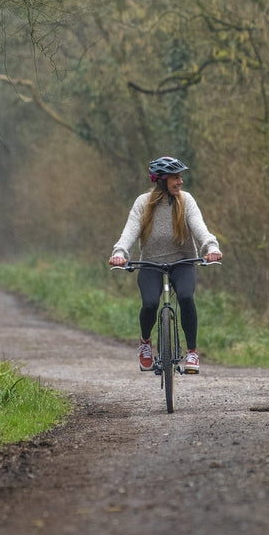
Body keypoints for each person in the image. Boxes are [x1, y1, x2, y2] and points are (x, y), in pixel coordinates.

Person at [109, 156, 223, 374]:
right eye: (175, 178)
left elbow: (200, 227)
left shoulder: (186, 200)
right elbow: (130, 231)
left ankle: (192, 351)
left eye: (181, 177)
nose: (180, 182)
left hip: (182, 262)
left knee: (186, 298)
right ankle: (145, 342)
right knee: (150, 304)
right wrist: (120, 253)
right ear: (161, 180)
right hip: (151, 263)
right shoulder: (142, 203)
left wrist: (211, 248)